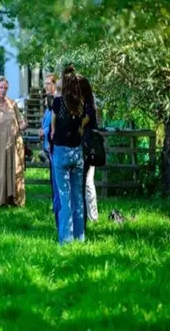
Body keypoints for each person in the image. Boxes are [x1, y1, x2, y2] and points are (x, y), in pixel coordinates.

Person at [50, 66, 88, 244]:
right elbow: (84, 122)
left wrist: (54, 131)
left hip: (61, 152)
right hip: (77, 152)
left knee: (64, 197)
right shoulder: (80, 104)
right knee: (78, 197)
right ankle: (80, 237)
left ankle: (66, 239)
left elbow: (53, 125)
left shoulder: (58, 103)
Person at [0, 76, 27, 207]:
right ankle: (2, 200)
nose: (3, 90)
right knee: (1, 170)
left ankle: (17, 200)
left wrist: (23, 125)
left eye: (5, 88)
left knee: (16, 168)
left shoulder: (13, 104)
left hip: (15, 140)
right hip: (0, 142)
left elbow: (20, 120)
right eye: (0, 87)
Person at [79, 76, 99, 224]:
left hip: (87, 148)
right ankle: (89, 216)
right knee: (87, 182)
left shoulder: (88, 107)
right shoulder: (88, 104)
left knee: (87, 182)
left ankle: (91, 216)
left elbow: (82, 123)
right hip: (86, 147)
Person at [39, 73, 59, 228]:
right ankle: (55, 206)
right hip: (48, 145)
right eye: (44, 83)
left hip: (55, 146)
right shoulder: (48, 103)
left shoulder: (58, 101)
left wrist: (44, 131)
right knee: (53, 179)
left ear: (54, 84)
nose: (45, 86)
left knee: (57, 179)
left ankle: (58, 207)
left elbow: (56, 124)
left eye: (48, 83)